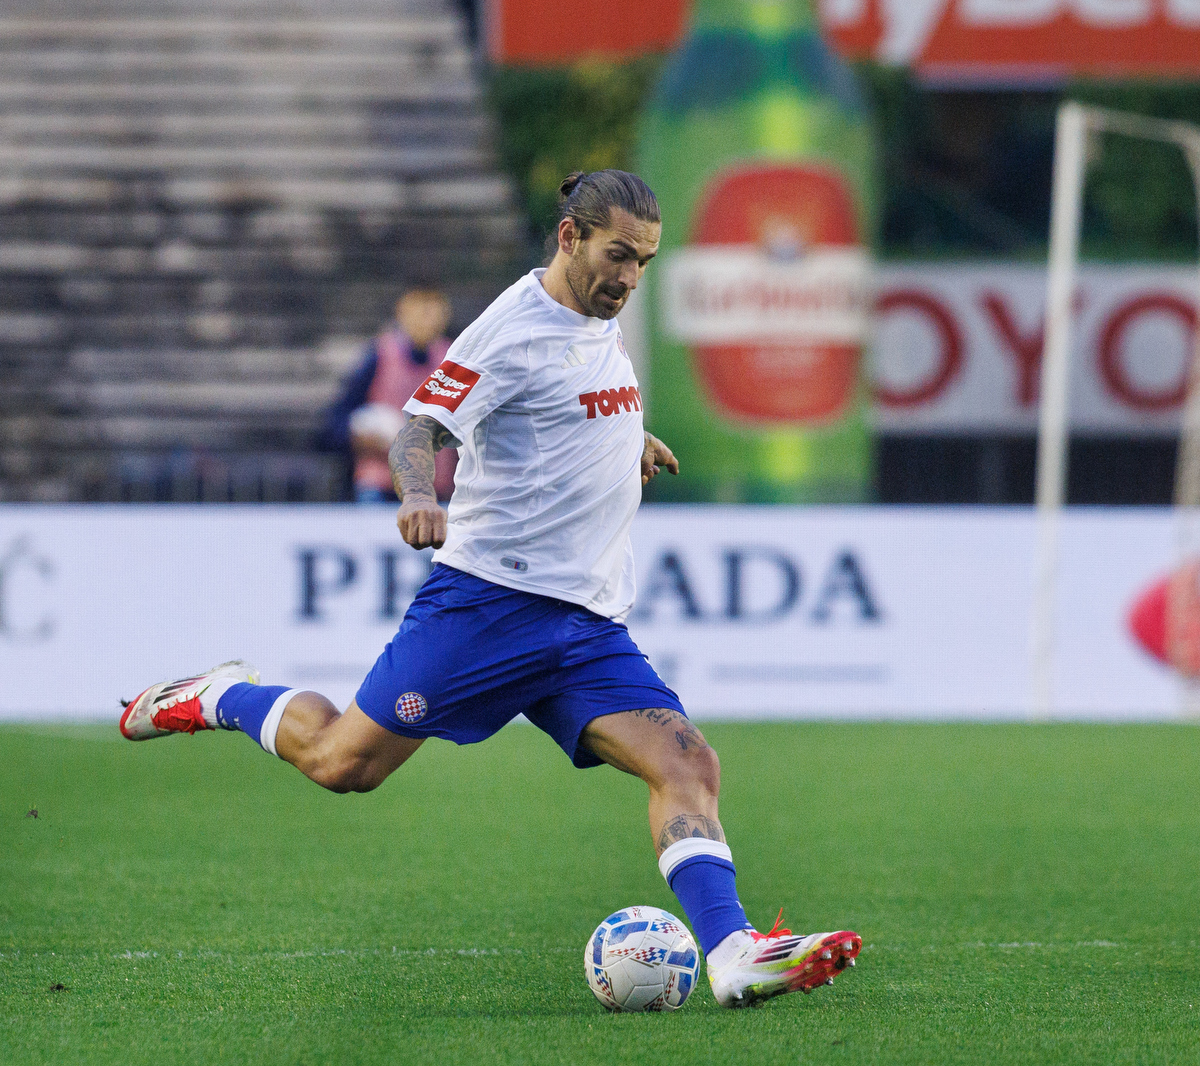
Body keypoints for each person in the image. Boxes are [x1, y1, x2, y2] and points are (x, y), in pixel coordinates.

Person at [119, 170, 862, 1005]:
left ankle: (733, 953)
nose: (630, 278)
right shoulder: (509, 329)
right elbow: (418, 426)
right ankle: (223, 695)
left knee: (688, 762)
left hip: (585, 623)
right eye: (619, 256)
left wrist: (627, 443)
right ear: (570, 238)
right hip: (486, 607)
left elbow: (569, 403)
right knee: (342, 764)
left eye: (645, 262)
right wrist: (416, 493)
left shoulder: (597, 314)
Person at [321, 288, 458, 503]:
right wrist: (360, 438)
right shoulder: (379, 355)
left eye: (435, 310)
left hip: (435, 489)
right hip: (380, 487)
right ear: (402, 311)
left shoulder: (453, 358)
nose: (428, 318)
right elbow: (336, 420)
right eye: (421, 309)